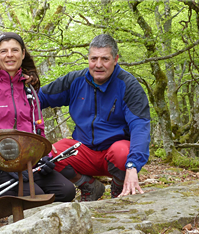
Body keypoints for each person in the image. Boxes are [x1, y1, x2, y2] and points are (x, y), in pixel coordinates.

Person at [0, 32, 76, 224]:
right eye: (4, 51)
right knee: (37, 198)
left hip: (29, 166)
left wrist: (45, 158)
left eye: (15, 50)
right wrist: (6, 163)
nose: (10, 55)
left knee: (66, 191)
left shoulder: (29, 91)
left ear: (23, 54)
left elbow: (38, 132)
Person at [38, 34, 150, 201]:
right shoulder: (75, 80)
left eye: (105, 59)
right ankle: (88, 185)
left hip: (114, 154)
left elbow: (140, 125)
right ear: (88, 58)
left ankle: (119, 188)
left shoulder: (128, 86)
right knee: (49, 154)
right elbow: (37, 99)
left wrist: (133, 166)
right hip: (83, 150)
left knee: (122, 152)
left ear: (115, 59)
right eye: (94, 59)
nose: (98, 65)